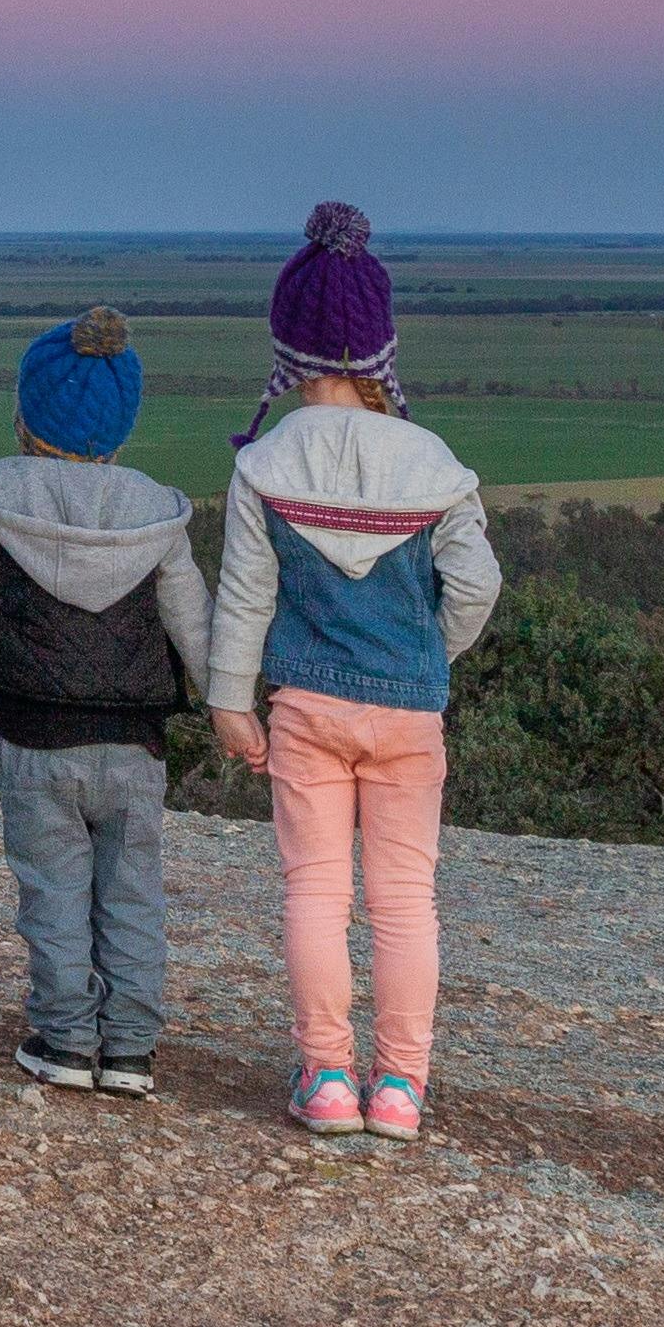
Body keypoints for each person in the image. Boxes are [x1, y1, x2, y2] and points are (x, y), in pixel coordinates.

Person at [202, 204, 501, 1142]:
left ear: (285, 350)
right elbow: (478, 585)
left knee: (316, 891)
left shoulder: (266, 463)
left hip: (304, 710)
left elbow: (245, 597)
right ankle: (401, 1090)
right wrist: (428, 658)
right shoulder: (435, 464)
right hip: (409, 715)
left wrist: (228, 703)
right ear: (381, 346)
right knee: (407, 900)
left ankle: (327, 1078)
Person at [0, 307, 206, 1096]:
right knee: (133, 895)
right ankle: (127, 1052)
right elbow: (198, 631)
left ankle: (62, 1041)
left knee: (53, 894)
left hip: (33, 744)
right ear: (122, 427)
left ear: (24, 413)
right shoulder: (159, 512)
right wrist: (238, 710)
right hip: (136, 750)